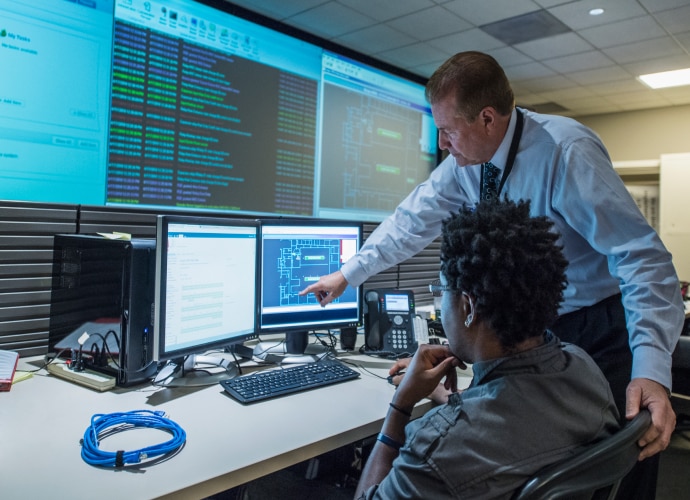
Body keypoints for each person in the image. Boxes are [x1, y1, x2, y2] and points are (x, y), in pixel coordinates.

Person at [302, 51, 684, 499]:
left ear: (487, 118)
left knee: (622, 456)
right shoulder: (469, 163)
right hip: (537, 333)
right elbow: (412, 220)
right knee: (542, 456)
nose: (441, 143)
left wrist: (653, 369)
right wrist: (348, 274)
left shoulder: (565, 152)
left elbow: (641, 257)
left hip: (598, 327)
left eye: (447, 130)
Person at [354, 198, 621, 499]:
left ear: (468, 305)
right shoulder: (583, 368)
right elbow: (521, 415)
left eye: (441, 291)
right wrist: (451, 398)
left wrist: (400, 407)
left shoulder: (436, 451)